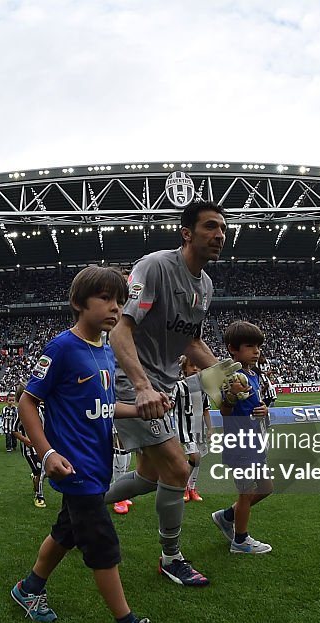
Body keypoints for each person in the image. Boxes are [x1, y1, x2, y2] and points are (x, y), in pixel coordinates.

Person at [9, 266, 175, 623]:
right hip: (76, 468)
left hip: (97, 467)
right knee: (103, 546)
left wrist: (138, 411)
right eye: (105, 299)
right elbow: (27, 401)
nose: (116, 308)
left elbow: (102, 404)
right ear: (78, 303)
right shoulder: (62, 348)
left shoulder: (103, 350)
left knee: (67, 532)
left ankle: (29, 589)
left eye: (121, 301)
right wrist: (47, 452)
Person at [105, 199, 238, 588]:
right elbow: (119, 329)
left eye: (223, 229)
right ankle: (171, 557)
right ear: (187, 233)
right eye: (211, 227)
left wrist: (223, 378)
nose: (219, 235)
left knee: (149, 478)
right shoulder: (156, 267)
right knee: (180, 469)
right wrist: (142, 386)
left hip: (161, 387)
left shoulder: (206, 285)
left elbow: (191, 341)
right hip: (132, 383)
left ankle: (83, 507)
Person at [211, 321, 273, 554]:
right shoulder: (229, 376)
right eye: (250, 346)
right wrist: (231, 396)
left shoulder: (252, 374)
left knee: (266, 488)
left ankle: (227, 516)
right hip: (239, 441)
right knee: (246, 491)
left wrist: (264, 409)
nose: (256, 351)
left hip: (255, 439)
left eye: (258, 346)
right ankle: (240, 540)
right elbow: (225, 412)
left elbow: (255, 405)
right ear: (232, 349)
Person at [171, 355, 210, 503]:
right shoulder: (178, 386)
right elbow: (170, 405)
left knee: (198, 460)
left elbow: (206, 409)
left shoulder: (202, 387)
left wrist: (210, 429)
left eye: (197, 366)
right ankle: (182, 486)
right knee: (195, 457)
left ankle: (191, 488)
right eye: (191, 365)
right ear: (184, 369)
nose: (195, 368)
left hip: (199, 430)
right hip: (184, 430)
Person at [10, 384, 47, 508]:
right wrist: (26, 441)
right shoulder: (23, 412)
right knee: (41, 471)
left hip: (43, 446)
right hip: (30, 449)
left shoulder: (41, 408)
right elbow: (14, 430)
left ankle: (35, 478)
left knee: (44, 472)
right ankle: (39, 496)